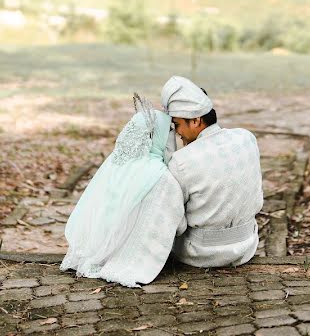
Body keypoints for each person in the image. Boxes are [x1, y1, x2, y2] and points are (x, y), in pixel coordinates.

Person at [60, 95, 186, 287]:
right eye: (169, 132)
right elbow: (178, 223)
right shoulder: (161, 177)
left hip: (102, 246)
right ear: (158, 135)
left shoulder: (116, 166)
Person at [162, 76, 263, 268]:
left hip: (201, 254)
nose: (177, 133)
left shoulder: (182, 161)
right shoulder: (246, 138)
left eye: (177, 124)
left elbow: (177, 225)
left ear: (196, 121)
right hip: (247, 245)